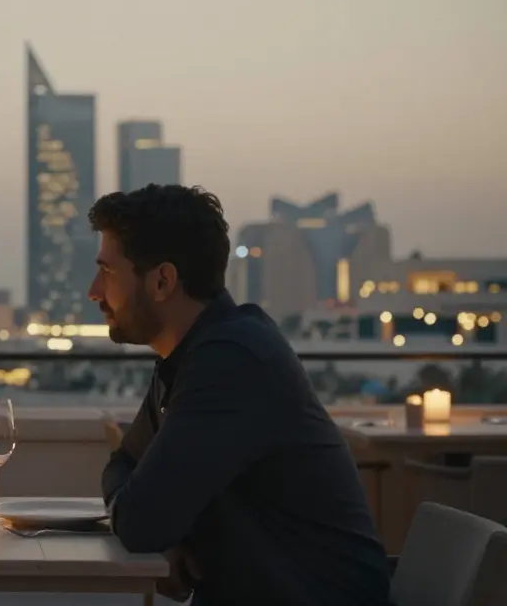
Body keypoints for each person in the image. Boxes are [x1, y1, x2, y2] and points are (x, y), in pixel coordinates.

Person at [87, 185, 390, 606]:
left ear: (162, 281)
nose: (94, 291)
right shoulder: (192, 355)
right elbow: (123, 464)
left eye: (107, 271)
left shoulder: (230, 361)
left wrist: (157, 528)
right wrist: (158, 529)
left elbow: (142, 523)